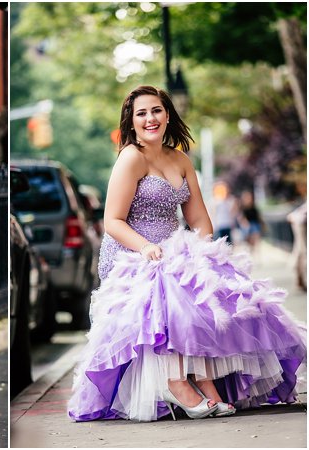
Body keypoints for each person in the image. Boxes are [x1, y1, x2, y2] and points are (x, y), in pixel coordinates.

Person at [68, 86, 306, 423]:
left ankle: (207, 383)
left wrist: (201, 251)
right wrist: (148, 248)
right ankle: (177, 382)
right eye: (142, 113)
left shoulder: (180, 159)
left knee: (216, 291)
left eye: (156, 110)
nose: (150, 118)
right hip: (133, 252)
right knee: (173, 293)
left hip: (172, 249)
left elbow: (198, 220)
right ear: (131, 122)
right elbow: (112, 221)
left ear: (168, 115)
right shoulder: (131, 157)